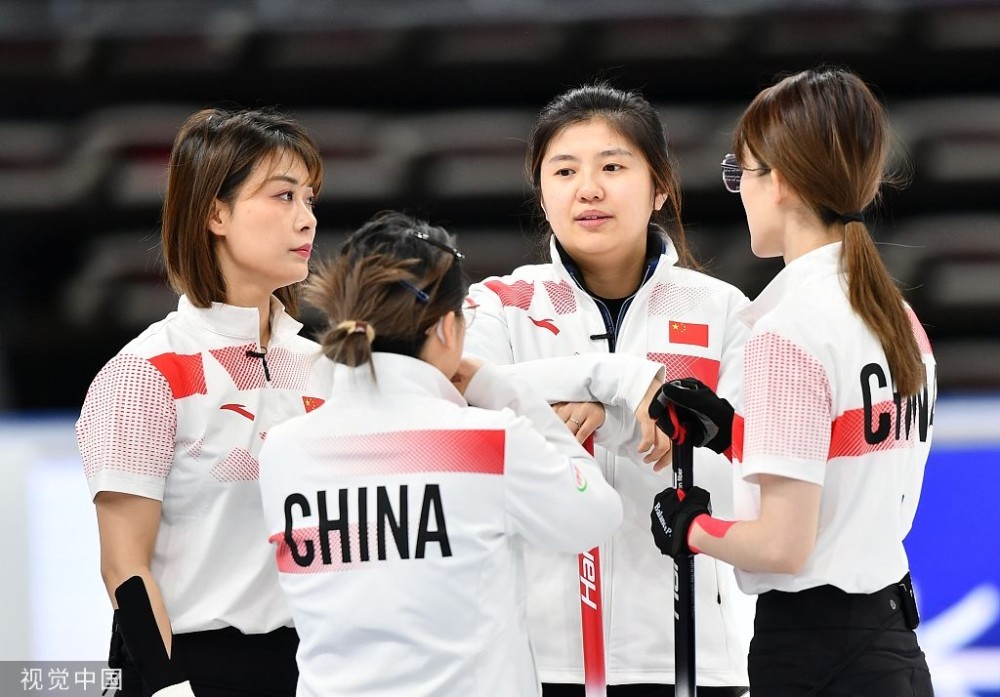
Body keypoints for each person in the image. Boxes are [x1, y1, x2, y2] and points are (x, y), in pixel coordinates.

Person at [648, 67, 936, 697]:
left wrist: (691, 527)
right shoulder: (897, 315)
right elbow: (846, 460)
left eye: (740, 173)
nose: (739, 191)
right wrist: (733, 434)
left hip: (815, 653)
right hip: (893, 645)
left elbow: (783, 546)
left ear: (777, 181)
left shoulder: (788, 332)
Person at [256, 211, 624, 697]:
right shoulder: (486, 440)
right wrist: (504, 393)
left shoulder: (283, 450)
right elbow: (595, 516)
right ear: (448, 328)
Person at [464, 82, 753, 696]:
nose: (588, 189)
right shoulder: (499, 303)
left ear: (661, 185)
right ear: (542, 194)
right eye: (564, 170)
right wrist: (617, 384)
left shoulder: (723, 310)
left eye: (613, 166)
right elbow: (470, 404)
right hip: (535, 659)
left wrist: (605, 420)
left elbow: (750, 466)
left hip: (692, 655)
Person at [76, 107, 333, 697]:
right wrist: (168, 687)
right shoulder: (144, 373)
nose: (307, 220)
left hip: (316, 667)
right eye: (284, 196)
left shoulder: (325, 367)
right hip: (190, 668)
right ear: (215, 212)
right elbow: (124, 566)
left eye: (310, 199)